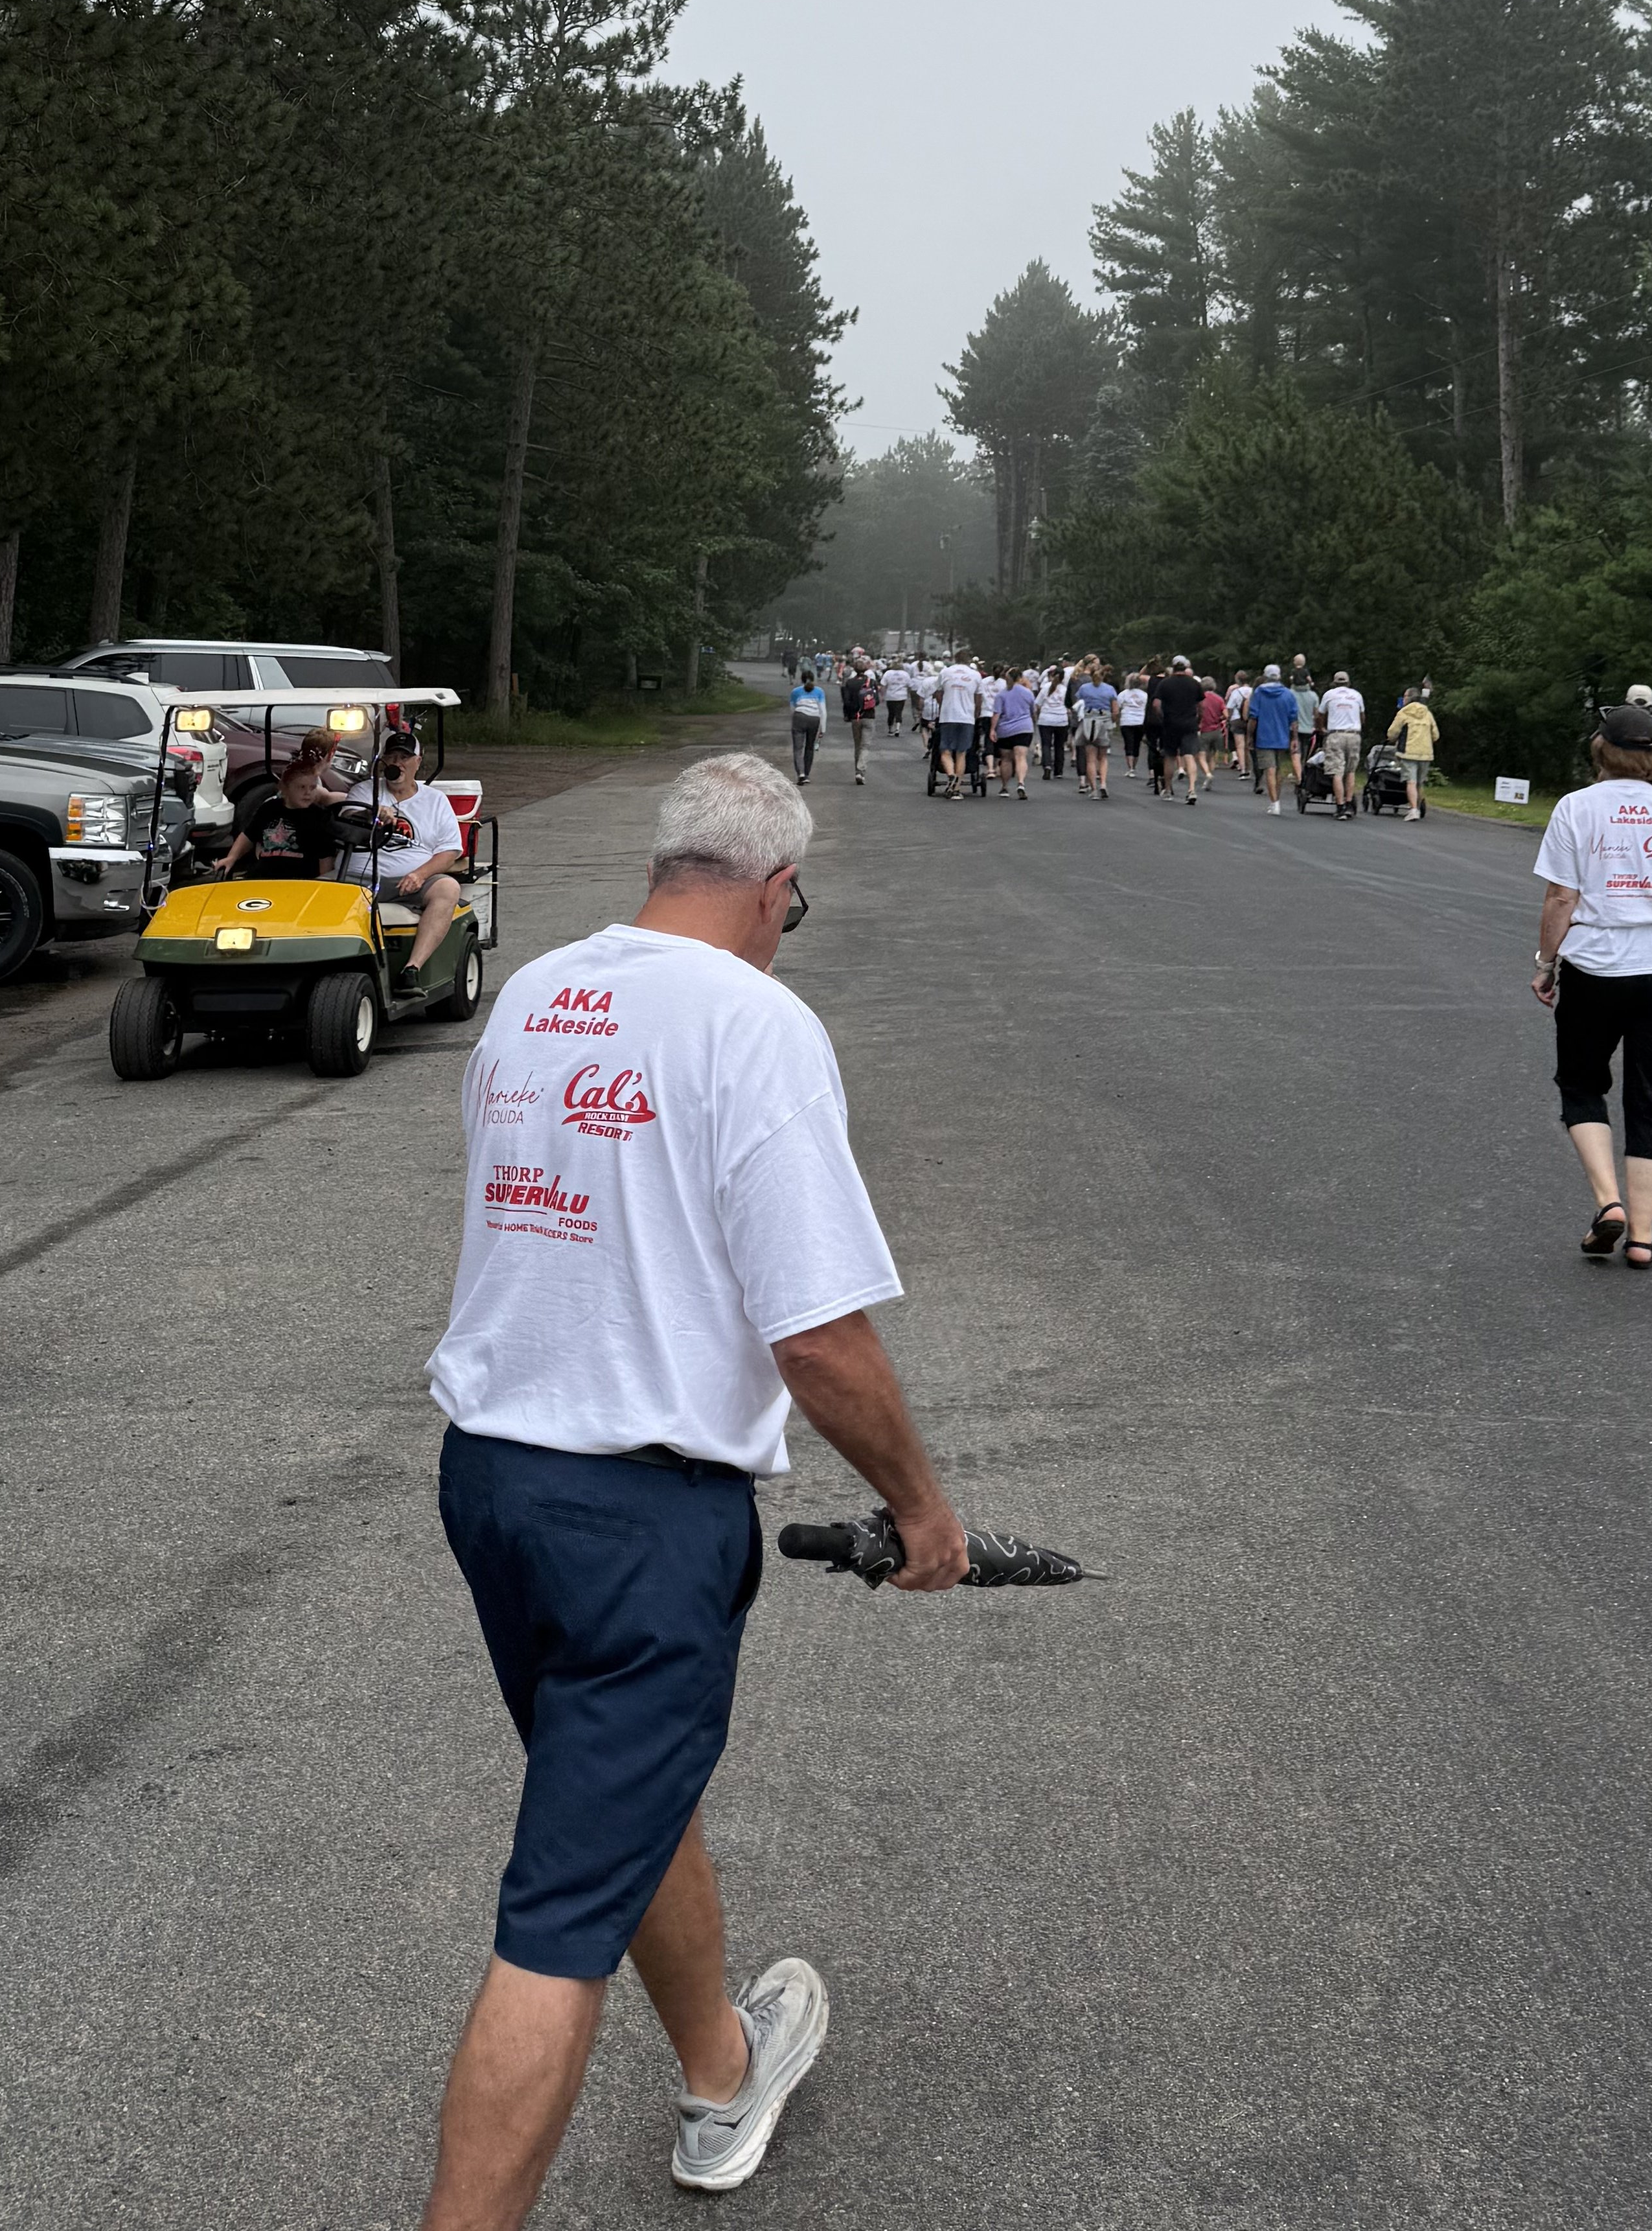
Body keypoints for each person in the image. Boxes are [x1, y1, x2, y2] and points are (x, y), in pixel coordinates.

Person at [420, 754, 964, 2218]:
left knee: (615, 1793)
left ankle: (725, 2067)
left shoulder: (535, 994)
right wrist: (921, 1504)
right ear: (779, 889)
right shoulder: (756, 1025)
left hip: (493, 1483)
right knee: (554, 1929)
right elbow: (818, 1333)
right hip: (637, 1520)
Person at [1529, 704, 1652, 1272]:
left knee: (1583, 1084)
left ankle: (1607, 1201)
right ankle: (1642, 1236)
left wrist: (1546, 962)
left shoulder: (1575, 809)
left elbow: (1561, 898)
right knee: (1651, 1099)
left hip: (1595, 967)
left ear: (1601, 749)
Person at [346, 731, 470, 982]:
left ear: (418, 762)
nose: (397, 763)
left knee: (448, 888)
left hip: (411, 881)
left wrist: (420, 875)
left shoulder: (435, 801)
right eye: (392, 757)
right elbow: (347, 818)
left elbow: (450, 851)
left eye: (404, 757)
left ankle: (412, 968)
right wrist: (371, 813)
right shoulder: (364, 793)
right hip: (359, 880)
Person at [226, 723, 348, 875]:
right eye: (302, 788)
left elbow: (325, 856)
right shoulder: (284, 802)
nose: (307, 792)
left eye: (310, 788)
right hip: (271, 861)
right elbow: (325, 797)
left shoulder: (315, 809)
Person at [1151, 657, 1206, 804]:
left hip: (1170, 724)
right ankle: (1192, 789)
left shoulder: (1165, 683)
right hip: (1189, 724)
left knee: (1170, 756)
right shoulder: (1195, 683)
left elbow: (1156, 704)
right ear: (1186, 667)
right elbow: (1202, 706)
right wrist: (1199, 720)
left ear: (1173, 668)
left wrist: (1163, 718)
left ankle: (1168, 790)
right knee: (1189, 755)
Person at [1248, 663, 1298, 812]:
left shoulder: (1259, 693)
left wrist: (1250, 736)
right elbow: (1294, 719)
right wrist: (1294, 738)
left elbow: (1253, 717)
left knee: (1269, 769)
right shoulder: (1289, 694)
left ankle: (1274, 802)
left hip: (1264, 736)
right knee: (1278, 769)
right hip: (1282, 736)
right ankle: (1277, 800)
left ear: (1265, 676)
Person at [1386, 682, 1439, 822]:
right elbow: (1436, 735)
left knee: (1411, 781)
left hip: (1408, 752)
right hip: (1426, 753)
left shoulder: (1404, 713)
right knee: (1419, 783)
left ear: (1409, 698)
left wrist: (1392, 739)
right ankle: (1419, 805)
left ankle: (1414, 809)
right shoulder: (1427, 713)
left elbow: (1393, 733)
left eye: (1404, 696)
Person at [934, 652, 981, 797]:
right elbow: (978, 699)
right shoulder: (976, 675)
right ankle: (957, 788)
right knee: (962, 753)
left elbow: (938, 693)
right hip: (967, 718)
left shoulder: (946, 672)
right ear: (968, 660)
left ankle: (951, 774)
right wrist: (975, 715)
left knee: (946, 751)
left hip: (948, 716)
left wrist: (943, 705)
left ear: (955, 659)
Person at [1320, 671, 1365, 816]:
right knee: (1351, 771)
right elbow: (1362, 716)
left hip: (1336, 734)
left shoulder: (1329, 695)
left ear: (1334, 683)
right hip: (1354, 734)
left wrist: (1322, 728)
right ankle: (1349, 802)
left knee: (1337, 772)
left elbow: (1320, 714)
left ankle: (1340, 807)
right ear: (1348, 683)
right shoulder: (1357, 695)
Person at [991, 665, 1036, 796]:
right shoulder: (1028, 693)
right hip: (1024, 728)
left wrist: (993, 730)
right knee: (1021, 757)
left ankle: (1005, 787)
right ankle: (1021, 782)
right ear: (1020, 678)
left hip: (1006, 730)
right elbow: (1033, 710)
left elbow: (996, 714)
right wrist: (1034, 722)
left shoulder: (1001, 695)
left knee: (1006, 759)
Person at [1073, 658, 1116, 796]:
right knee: (1103, 757)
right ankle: (1103, 783)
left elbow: (1078, 704)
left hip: (1089, 722)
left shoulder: (1084, 689)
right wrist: (1113, 722)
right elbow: (1115, 710)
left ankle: (1094, 789)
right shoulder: (1110, 689)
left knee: (1090, 758)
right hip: (1104, 722)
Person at [786, 666, 825, 785]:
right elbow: (822, 710)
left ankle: (801, 774)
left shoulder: (796, 692)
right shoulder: (819, 692)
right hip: (814, 719)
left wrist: (794, 722)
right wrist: (823, 728)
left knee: (798, 749)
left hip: (800, 718)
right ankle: (807, 774)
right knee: (810, 748)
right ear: (813, 680)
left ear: (802, 680)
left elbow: (792, 710)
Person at [1034, 665, 1070, 783]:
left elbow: (1038, 704)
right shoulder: (1066, 690)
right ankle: (1059, 771)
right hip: (1061, 720)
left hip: (1046, 719)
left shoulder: (1045, 688)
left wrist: (1038, 716)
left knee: (1046, 744)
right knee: (1059, 746)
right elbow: (1069, 706)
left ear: (1052, 676)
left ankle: (1047, 766)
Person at [838, 658, 872, 784]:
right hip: (869, 715)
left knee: (858, 746)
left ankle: (857, 772)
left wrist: (849, 714)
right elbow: (877, 700)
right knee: (866, 746)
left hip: (855, 717)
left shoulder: (850, 683)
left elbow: (846, 701)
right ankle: (861, 771)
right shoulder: (870, 682)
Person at [1116, 667, 1149, 777]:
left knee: (1128, 744)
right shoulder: (1145, 695)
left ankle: (1130, 768)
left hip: (1127, 721)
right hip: (1140, 721)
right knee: (1136, 744)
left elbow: (1118, 707)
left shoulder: (1123, 694)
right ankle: (1134, 766)